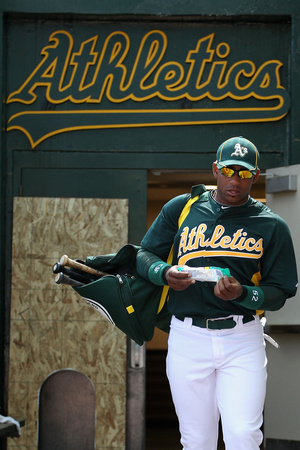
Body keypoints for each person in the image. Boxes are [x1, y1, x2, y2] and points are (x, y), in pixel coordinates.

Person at [136, 136, 298, 450]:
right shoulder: (183, 207)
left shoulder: (271, 225)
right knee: (196, 441)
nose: (235, 179)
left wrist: (244, 294)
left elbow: (280, 291)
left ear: (256, 174)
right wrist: (165, 274)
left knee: (242, 436)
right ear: (215, 169)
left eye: (244, 173)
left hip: (241, 337)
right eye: (228, 170)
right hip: (187, 335)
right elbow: (144, 256)